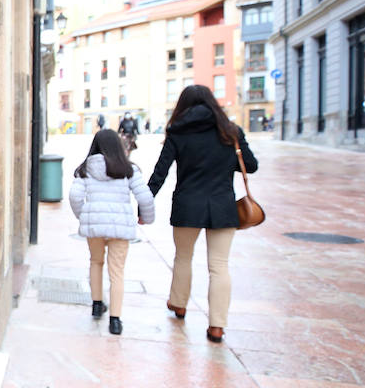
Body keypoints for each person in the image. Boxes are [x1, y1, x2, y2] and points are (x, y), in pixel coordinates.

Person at [147, 84, 258, 343]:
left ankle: (179, 303)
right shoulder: (231, 132)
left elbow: (160, 172)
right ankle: (217, 326)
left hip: (187, 204)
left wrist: (145, 202)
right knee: (219, 266)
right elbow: (250, 166)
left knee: (183, 257)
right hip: (222, 206)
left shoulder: (177, 132)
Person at [68, 129, 155, 336]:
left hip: (95, 227)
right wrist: (146, 218)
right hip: (120, 228)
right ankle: (115, 321)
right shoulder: (129, 169)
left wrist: (85, 215)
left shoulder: (85, 169)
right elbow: (146, 198)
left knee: (96, 262)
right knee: (117, 272)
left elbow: (74, 196)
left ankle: (97, 304)